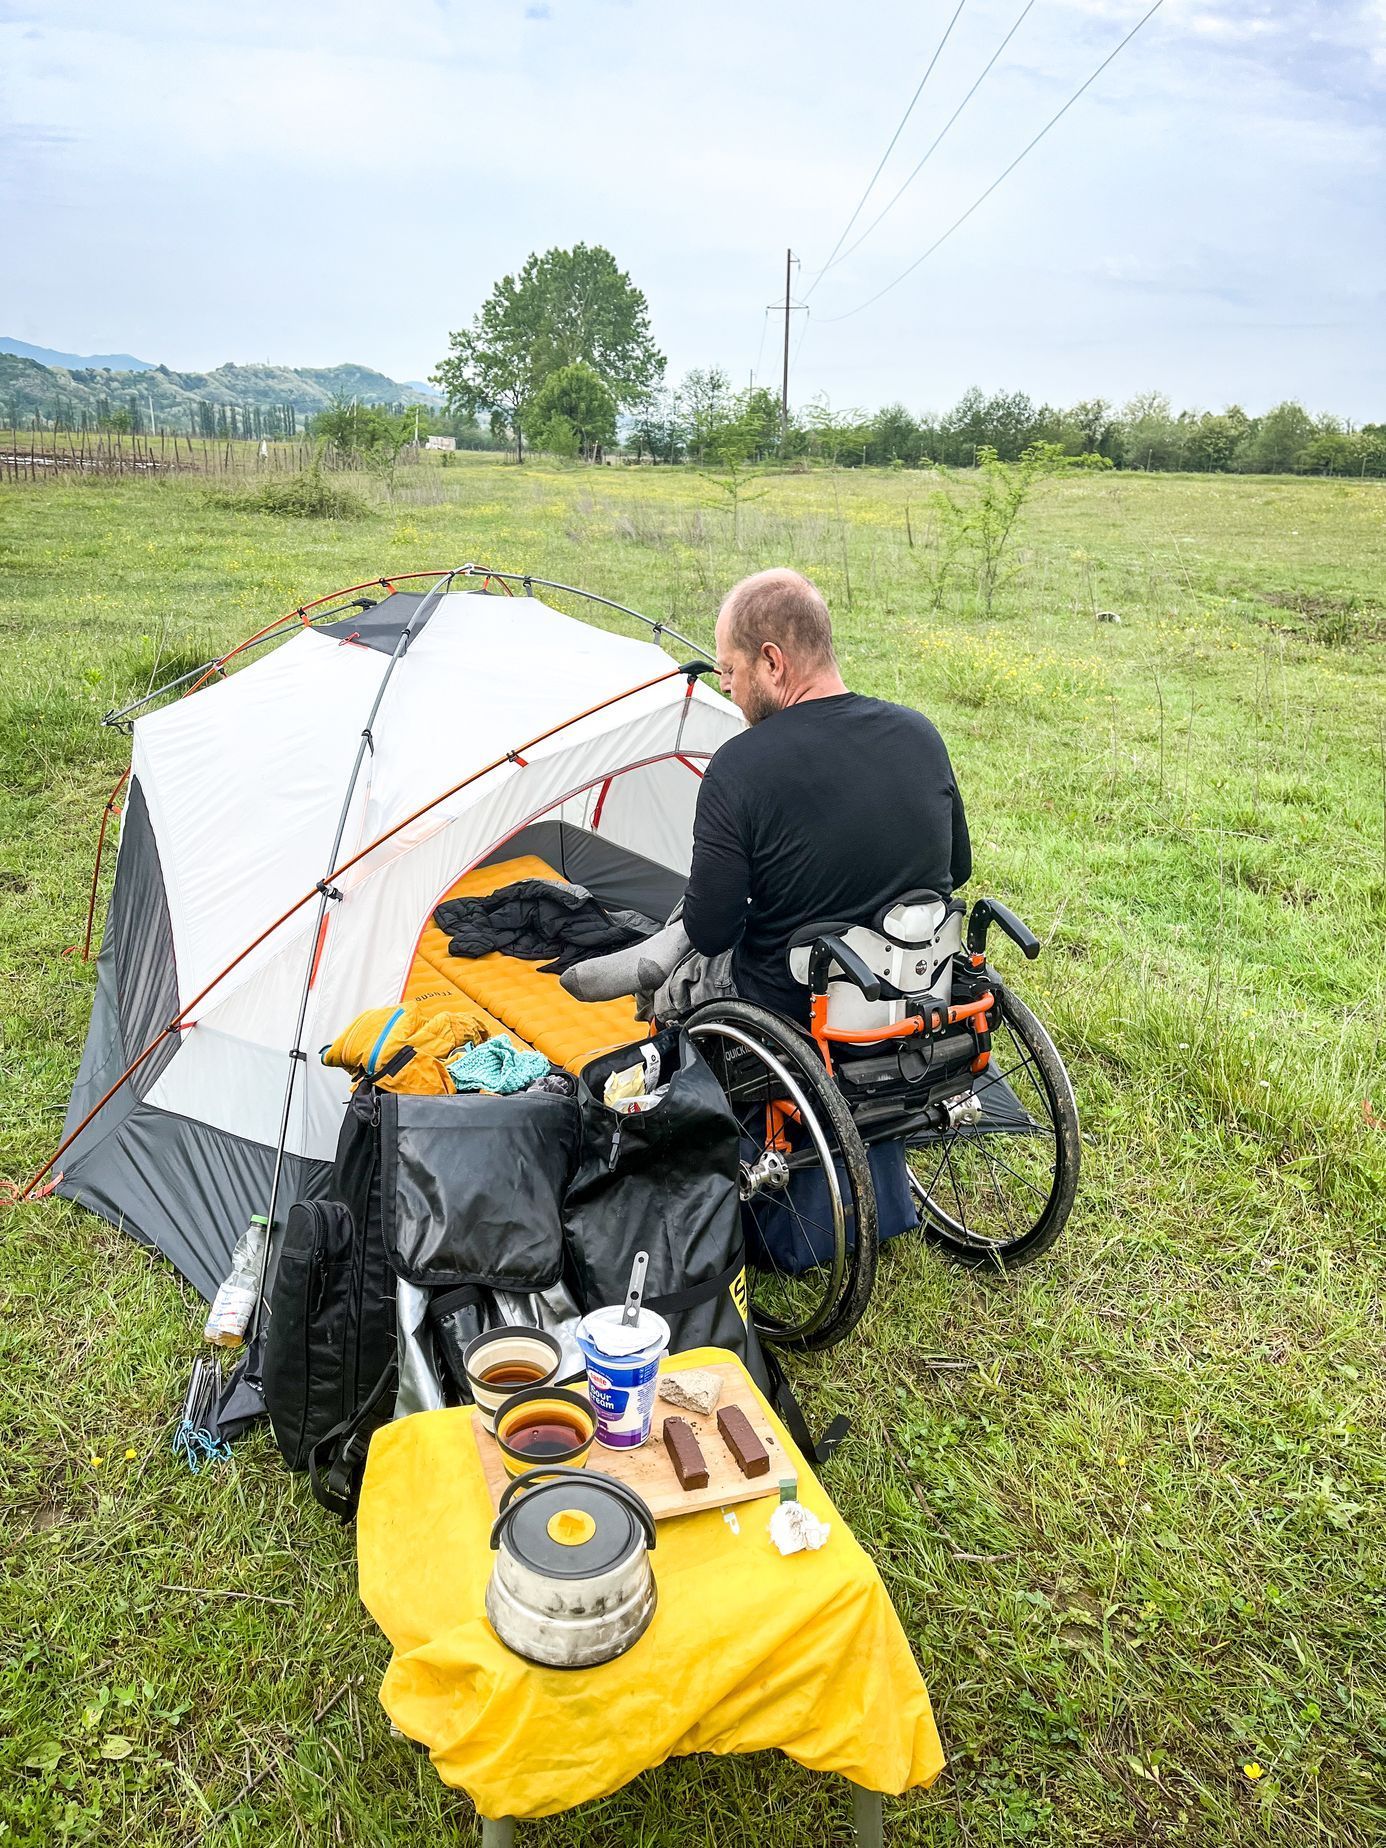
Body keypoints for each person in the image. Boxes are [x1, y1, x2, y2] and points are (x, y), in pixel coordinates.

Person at [563, 567, 970, 1023]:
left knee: (682, 974)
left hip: (788, 1005)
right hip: (915, 990)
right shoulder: (920, 734)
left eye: (730, 669)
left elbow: (713, 933)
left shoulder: (738, 766)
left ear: (772, 662)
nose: (724, 684)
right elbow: (957, 869)